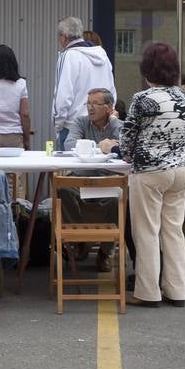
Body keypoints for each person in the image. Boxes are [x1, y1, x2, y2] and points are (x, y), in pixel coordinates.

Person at [118, 43, 185, 308]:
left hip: (150, 171)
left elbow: (127, 140)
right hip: (182, 169)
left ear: (146, 69)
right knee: (173, 231)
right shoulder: (184, 96)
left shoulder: (142, 99)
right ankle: (177, 290)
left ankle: (148, 292)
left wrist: (122, 152)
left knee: (147, 232)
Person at [63, 87, 123, 272]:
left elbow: (127, 142)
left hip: (108, 178)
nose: (90, 108)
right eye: (88, 103)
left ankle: (106, 251)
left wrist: (114, 121)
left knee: (118, 197)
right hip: (82, 177)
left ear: (109, 107)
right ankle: (79, 239)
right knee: (62, 190)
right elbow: (69, 144)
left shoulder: (116, 124)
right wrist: (101, 146)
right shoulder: (81, 122)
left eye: (95, 104)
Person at [52, 16, 116, 149]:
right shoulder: (102, 55)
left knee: (71, 169)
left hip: (74, 128)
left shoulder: (67, 56)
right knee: (102, 169)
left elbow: (63, 97)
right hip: (101, 126)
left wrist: (58, 125)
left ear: (63, 37)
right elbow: (111, 92)